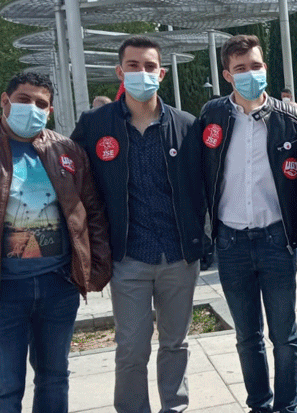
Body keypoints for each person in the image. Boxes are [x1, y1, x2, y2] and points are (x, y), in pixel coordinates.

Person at [0, 72, 111, 412]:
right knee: (3, 390)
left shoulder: (65, 150)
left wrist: (95, 268)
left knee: (54, 378)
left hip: (58, 287)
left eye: (41, 104)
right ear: (5, 101)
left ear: (49, 110)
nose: (32, 108)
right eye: (24, 100)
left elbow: (90, 211)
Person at [70, 36, 205, 413]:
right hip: (128, 254)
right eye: (133, 65)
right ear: (120, 71)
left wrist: (202, 237)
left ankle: (174, 407)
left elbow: (203, 185)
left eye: (149, 66)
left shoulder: (185, 125)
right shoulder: (96, 124)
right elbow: (72, 177)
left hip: (178, 254)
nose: (142, 73)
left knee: (176, 341)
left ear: (161, 73)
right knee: (131, 345)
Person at [198, 34, 297, 413]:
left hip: (276, 239)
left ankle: (287, 406)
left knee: (284, 335)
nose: (249, 74)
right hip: (231, 243)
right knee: (247, 336)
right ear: (228, 74)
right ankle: (259, 404)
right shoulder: (212, 116)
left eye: (255, 66)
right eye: (240, 68)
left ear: (265, 68)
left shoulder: (290, 118)